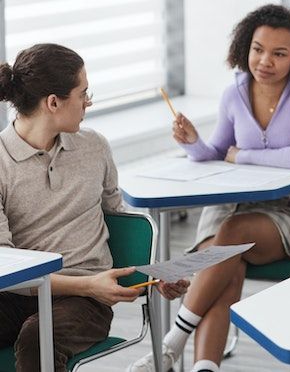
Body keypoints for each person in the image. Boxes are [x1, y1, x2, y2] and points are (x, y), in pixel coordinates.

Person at [131, 5, 290, 372]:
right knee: (229, 264)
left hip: (286, 210)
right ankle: (205, 367)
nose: (264, 61)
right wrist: (193, 142)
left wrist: (243, 157)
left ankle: (172, 341)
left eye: (279, 53)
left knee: (232, 237)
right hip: (228, 205)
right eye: (258, 49)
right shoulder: (235, 92)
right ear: (246, 46)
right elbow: (217, 153)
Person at [0, 43, 188, 371]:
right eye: (83, 93)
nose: (88, 103)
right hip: (17, 291)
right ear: (53, 103)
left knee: (37, 340)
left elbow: (119, 219)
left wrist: (154, 274)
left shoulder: (94, 147)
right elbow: (6, 265)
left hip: (86, 299)